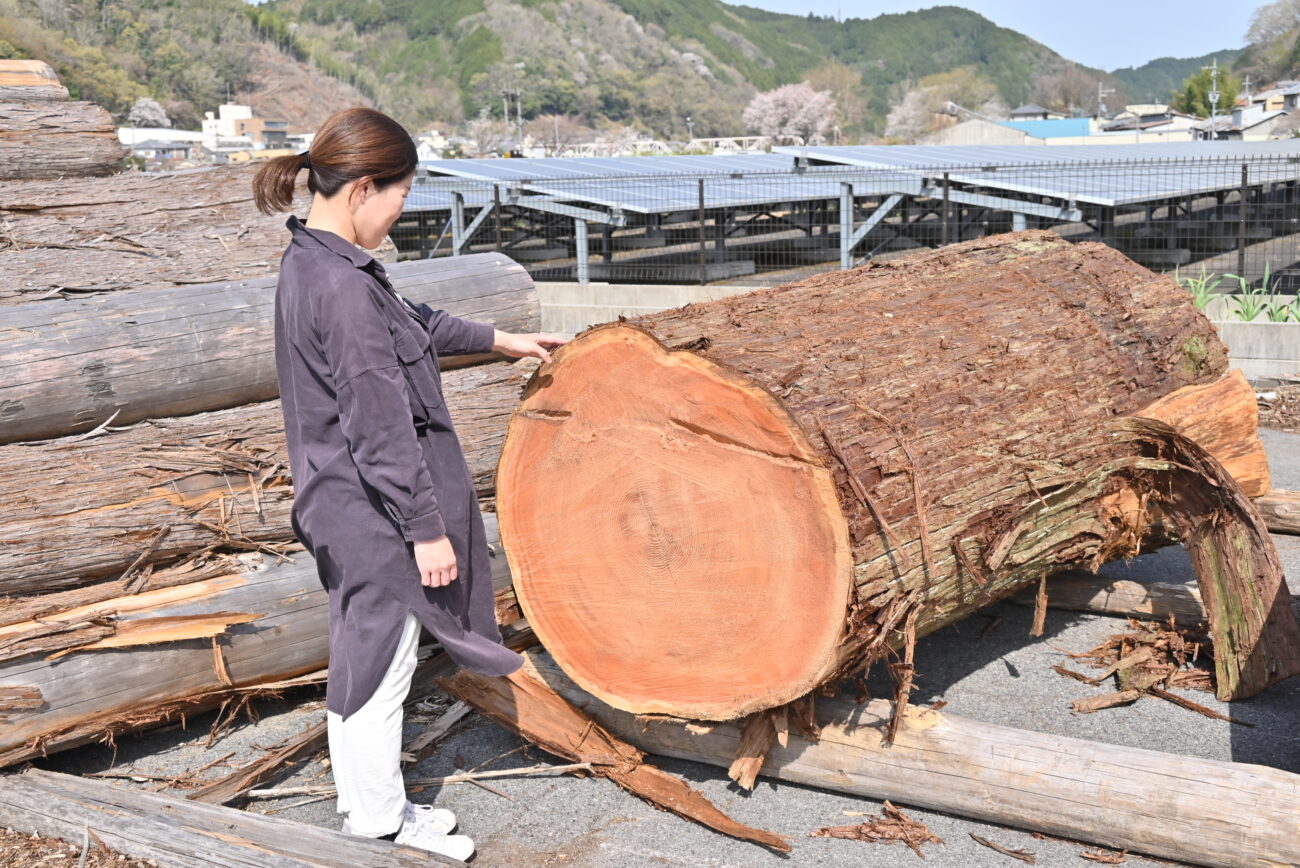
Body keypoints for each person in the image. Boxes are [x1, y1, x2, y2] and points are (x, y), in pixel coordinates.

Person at [251, 107, 566, 860]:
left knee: (365, 655)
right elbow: (380, 428)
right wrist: (426, 531)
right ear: (363, 187)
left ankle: (373, 806)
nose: (400, 213)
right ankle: (379, 821)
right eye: (399, 196)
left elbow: (413, 320)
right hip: (371, 514)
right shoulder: (345, 290)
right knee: (382, 667)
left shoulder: (315, 260)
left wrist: (500, 339)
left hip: (338, 499)